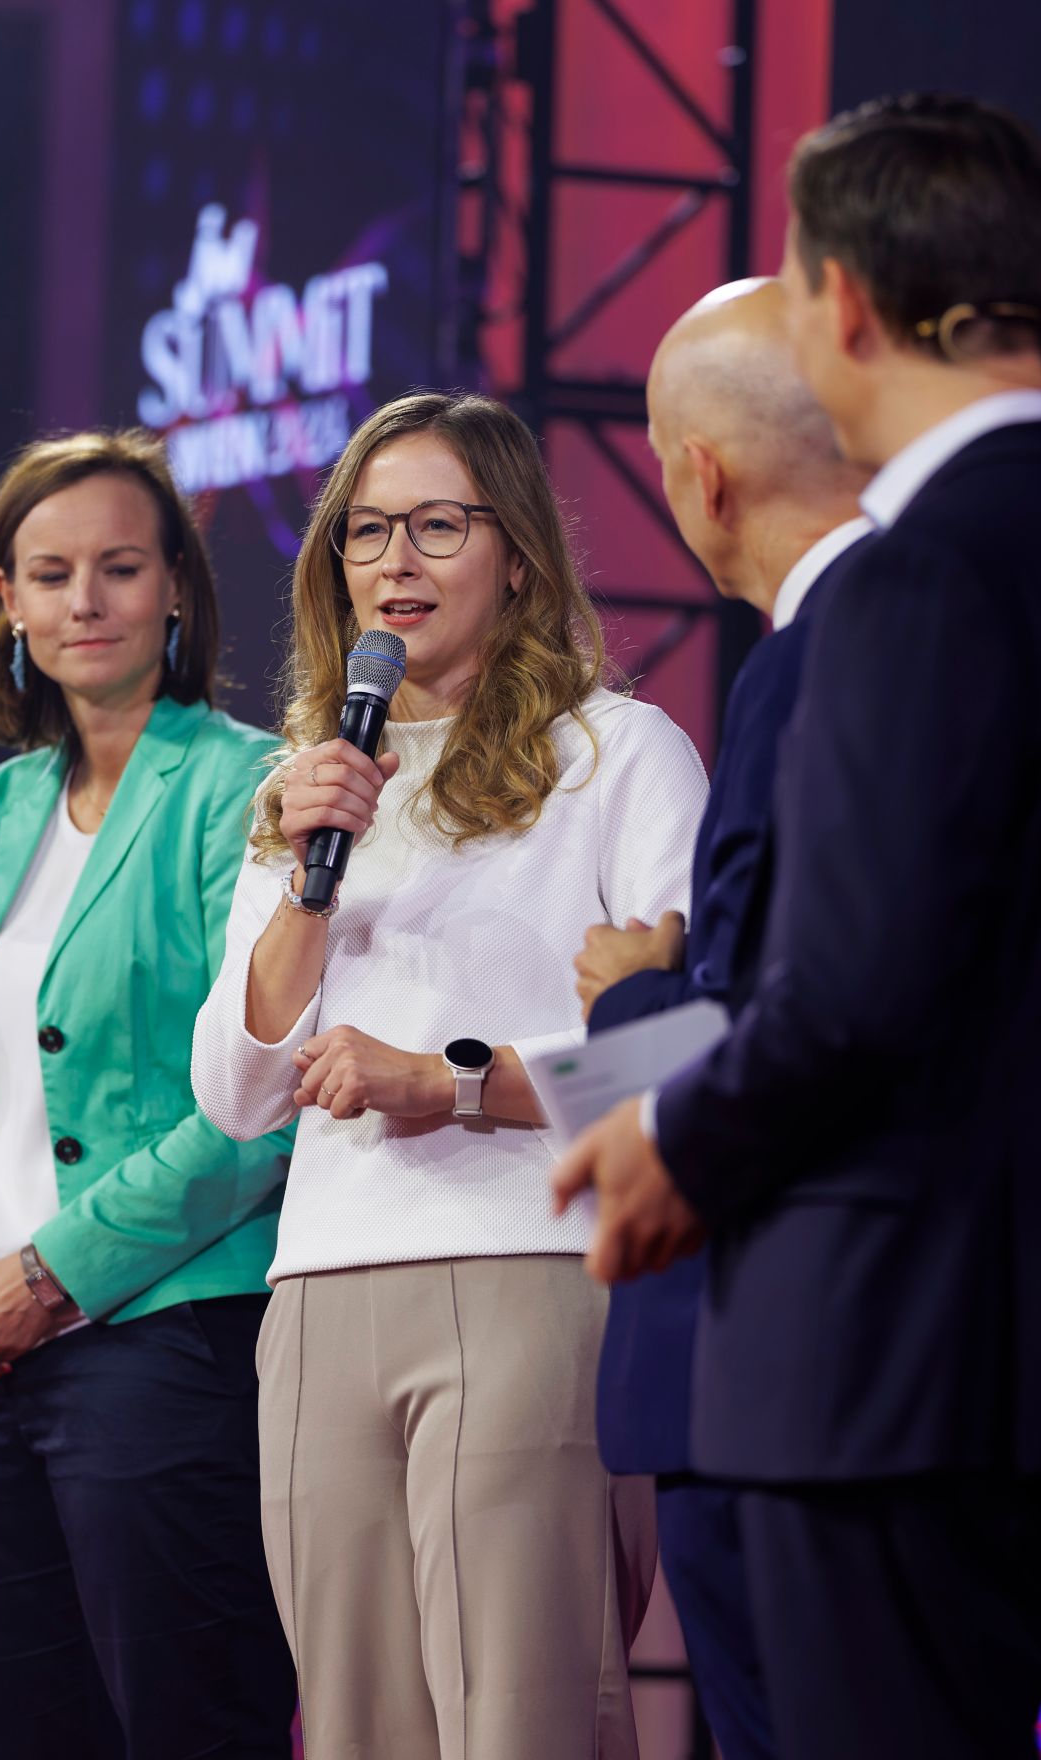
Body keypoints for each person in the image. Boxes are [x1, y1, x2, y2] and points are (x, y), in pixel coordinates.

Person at [554, 93, 1041, 1760]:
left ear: (845, 305)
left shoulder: (911, 577)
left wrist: (662, 1112)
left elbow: (849, 984)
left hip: (882, 1362)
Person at [191, 390, 708, 1760]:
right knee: (355, 1729)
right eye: (365, 533)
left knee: (524, 1718)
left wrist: (451, 1080)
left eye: (436, 526)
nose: (395, 563)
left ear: (518, 556)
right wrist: (306, 884)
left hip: (528, 1272)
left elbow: (686, 1044)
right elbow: (236, 1094)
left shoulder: (619, 754)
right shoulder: (311, 786)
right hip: (317, 1290)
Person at [0, 430, 296, 1760]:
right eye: (50, 574)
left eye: (120, 567)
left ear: (176, 587)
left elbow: (258, 1104)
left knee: (193, 1729)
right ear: (8, 599)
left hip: (163, 1339)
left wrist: (53, 1274)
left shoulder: (247, 785)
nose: (85, 600)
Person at [574, 277, 870, 1760]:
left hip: (796, 1357)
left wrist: (628, 999)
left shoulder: (813, 662)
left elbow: (801, 1017)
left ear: (699, 473)